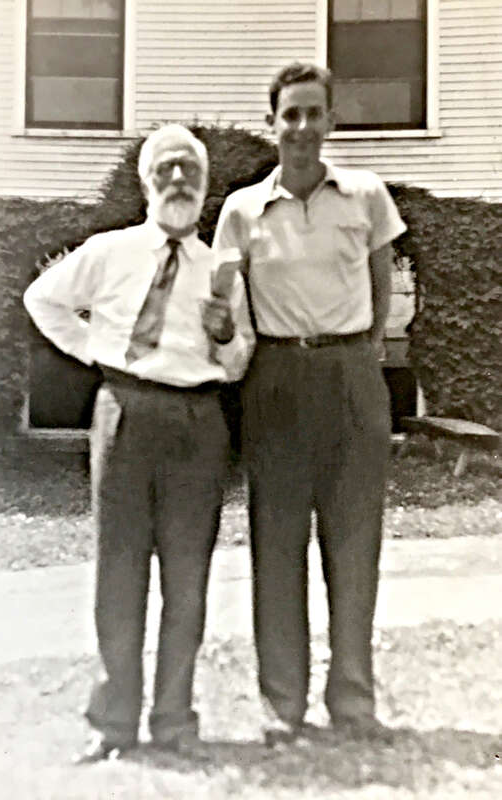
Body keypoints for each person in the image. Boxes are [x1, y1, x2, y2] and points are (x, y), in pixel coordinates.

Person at [23, 125, 255, 762]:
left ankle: (175, 720)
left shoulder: (220, 269)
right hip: (125, 411)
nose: (178, 180)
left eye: (190, 171)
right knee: (118, 574)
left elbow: (238, 363)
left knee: (187, 579)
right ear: (146, 181)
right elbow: (43, 300)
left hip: (198, 422)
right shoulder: (109, 251)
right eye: (167, 169)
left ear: (206, 188)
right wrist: (95, 354)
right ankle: (114, 724)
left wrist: (227, 333)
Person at [213, 62, 407, 746]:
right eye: (288, 115)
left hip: (351, 372)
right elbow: (224, 304)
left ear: (331, 122)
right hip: (274, 380)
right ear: (272, 124)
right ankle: (281, 707)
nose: (300, 128)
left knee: (354, 543)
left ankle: (353, 702)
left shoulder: (365, 196)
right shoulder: (241, 209)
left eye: (312, 113)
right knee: (277, 542)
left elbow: (383, 289)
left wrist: (363, 354)